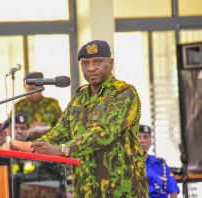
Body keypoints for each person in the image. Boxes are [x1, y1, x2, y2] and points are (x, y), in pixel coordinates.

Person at [12, 40, 149, 197]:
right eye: (85, 63)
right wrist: (32, 146)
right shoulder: (79, 97)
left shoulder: (124, 93)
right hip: (85, 188)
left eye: (97, 62)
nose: (91, 68)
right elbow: (61, 131)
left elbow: (103, 132)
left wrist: (62, 149)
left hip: (121, 188)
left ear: (110, 63)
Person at [14, 72, 62, 140]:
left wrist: (47, 132)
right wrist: (28, 132)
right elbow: (10, 131)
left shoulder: (52, 104)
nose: (35, 93)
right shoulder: (18, 106)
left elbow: (62, 128)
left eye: (38, 89)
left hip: (49, 145)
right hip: (25, 146)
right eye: (31, 89)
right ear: (25, 87)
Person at [139, 125, 179, 198]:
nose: (142, 141)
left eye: (145, 137)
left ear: (150, 142)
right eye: (139, 137)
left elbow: (173, 190)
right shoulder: (127, 165)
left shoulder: (161, 165)